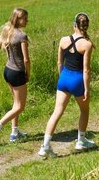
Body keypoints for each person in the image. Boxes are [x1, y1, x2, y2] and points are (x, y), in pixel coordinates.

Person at [38, 12, 95, 158]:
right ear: (86, 26)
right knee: (84, 110)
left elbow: (59, 62)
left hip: (64, 78)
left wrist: (62, 77)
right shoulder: (87, 44)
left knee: (57, 111)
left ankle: (45, 146)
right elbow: (86, 69)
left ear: (74, 25)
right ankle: (81, 140)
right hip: (77, 80)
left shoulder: (63, 40)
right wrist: (87, 88)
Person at [0, 7, 31, 144]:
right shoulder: (21, 36)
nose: (27, 20)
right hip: (17, 73)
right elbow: (26, 59)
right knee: (20, 106)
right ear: (18, 19)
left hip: (8, 71)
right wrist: (27, 73)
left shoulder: (8, 32)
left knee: (15, 103)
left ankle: (14, 132)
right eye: (25, 18)